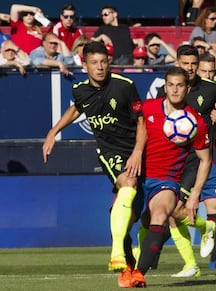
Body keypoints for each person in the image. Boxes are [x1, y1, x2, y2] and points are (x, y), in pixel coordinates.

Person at [42, 41, 146, 288]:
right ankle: (116, 254)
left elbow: (141, 123)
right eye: (94, 63)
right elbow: (77, 109)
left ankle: (129, 268)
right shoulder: (80, 90)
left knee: (129, 215)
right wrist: (53, 132)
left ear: (108, 62)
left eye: (103, 62)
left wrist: (138, 152)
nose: (100, 67)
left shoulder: (125, 86)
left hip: (137, 151)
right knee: (128, 182)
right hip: (110, 153)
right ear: (84, 64)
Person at [129, 66, 212, 287]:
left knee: (161, 214)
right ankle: (143, 256)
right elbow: (133, 129)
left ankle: (139, 274)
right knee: (141, 220)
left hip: (166, 180)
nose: (175, 90)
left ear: (187, 88)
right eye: (171, 85)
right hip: (138, 176)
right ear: (164, 87)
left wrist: (195, 195)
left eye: (180, 85)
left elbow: (205, 160)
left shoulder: (195, 122)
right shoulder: (148, 108)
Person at [165, 44, 216, 276]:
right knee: (174, 212)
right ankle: (183, 259)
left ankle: (215, 258)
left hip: (204, 158)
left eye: (193, 64)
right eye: (185, 64)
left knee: (214, 205)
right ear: (177, 63)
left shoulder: (212, 90)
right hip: (177, 161)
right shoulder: (169, 90)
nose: (190, 68)